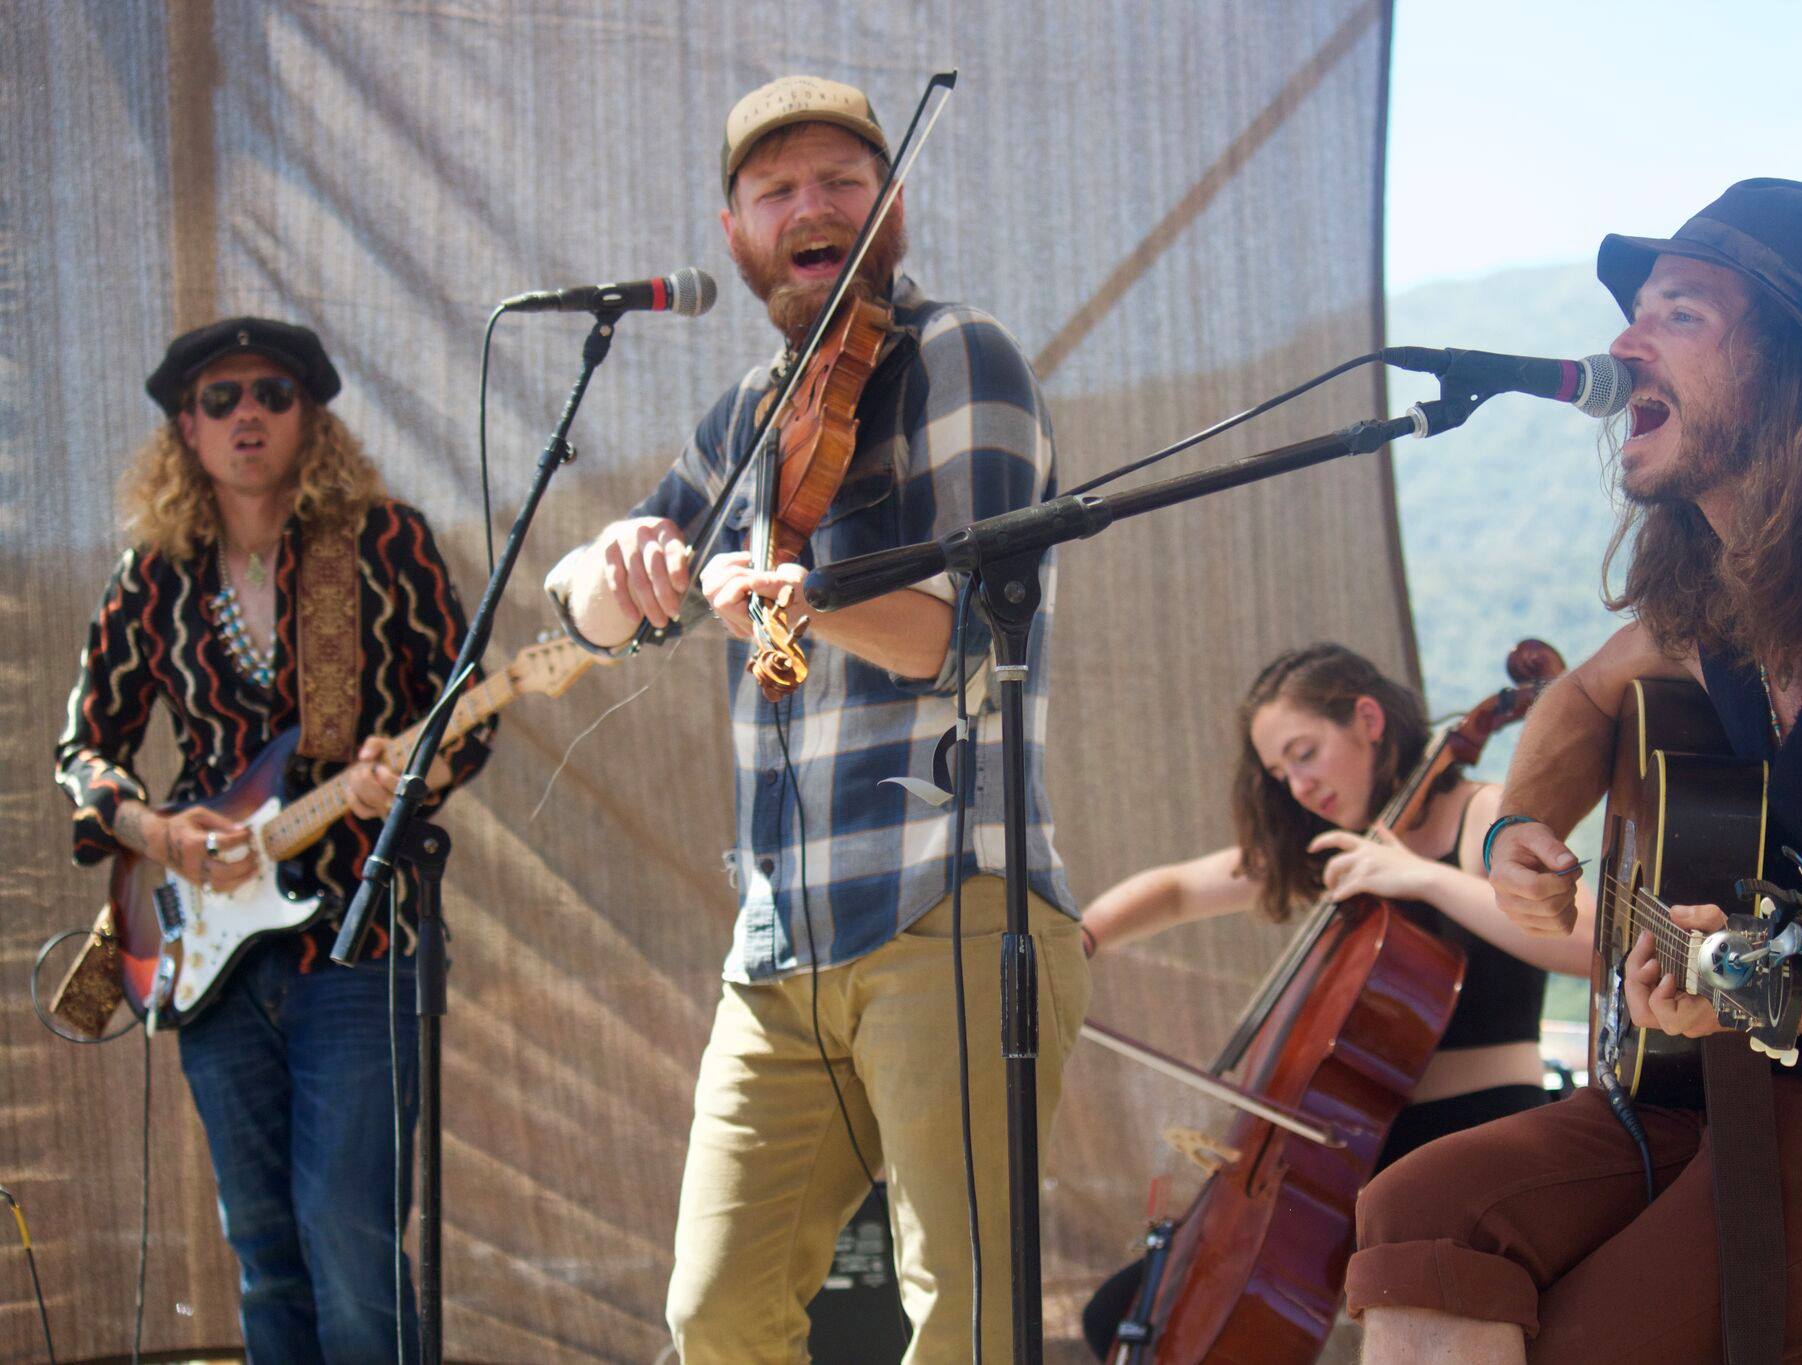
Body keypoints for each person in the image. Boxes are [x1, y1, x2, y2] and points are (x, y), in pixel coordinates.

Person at [1346, 180, 1802, 1363]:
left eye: (1679, 315)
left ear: (1794, 368)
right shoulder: (1715, 592)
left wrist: (1795, 1000)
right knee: (1411, 1207)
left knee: (1585, 1342)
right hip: (1741, 1081)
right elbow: (1576, 695)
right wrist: (1520, 830)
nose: (1620, 341)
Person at [542, 75, 1087, 1362]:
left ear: (887, 207)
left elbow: (968, 631)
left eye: (841, 180)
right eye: (775, 190)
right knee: (713, 1314)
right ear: (734, 232)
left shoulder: (959, 354)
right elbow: (585, 611)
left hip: (943, 901)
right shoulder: (743, 415)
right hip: (780, 934)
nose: (811, 206)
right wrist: (616, 567)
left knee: (967, 1321)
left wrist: (801, 599)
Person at [54, 316, 493, 1360]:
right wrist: (157, 833)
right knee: (262, 1250)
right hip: (206, 957)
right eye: (220, 399)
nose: (247, 413)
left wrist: (412, 776)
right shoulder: (149, 577)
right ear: (186, 430)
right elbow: (83, 750)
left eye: (272, 393)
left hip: (357, 941)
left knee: (348, 1239)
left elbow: (464, 707)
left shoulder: (384, 541)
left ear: (310, 418)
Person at [1074, 642, 1592, 1358]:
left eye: (1304, 752)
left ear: (1368, 718)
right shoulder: (1342, 850)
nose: (1298, 784)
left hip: (1476, 1137)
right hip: (1353, 1155)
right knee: (1118, 1313)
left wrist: (1422, 878)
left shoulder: (1479, 815)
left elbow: (1591, 938)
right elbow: (1180, 887)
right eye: (1282, 772)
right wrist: (1081, 937)